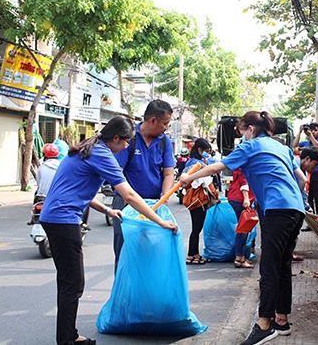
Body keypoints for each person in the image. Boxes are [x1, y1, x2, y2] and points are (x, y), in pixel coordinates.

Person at [39, 116, 177, 345]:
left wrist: (107, 210)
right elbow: (129, 195)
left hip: (54, 218)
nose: (126, 147)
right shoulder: (101, 153)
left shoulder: (87, 148)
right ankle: (66, 339)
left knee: (69, 281)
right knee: (73, 283)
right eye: (125, 143)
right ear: (115, 138)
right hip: (63, 220)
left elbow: (78, 189)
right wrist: (159, 221)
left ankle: (69, 335)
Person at [181, 111, 305, 345]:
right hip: (295, 208)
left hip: (277, 210)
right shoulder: (281, 147)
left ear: (250, 129)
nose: (240, 136)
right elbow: (301, 179)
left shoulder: (251, 146)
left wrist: (189, 178)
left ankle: (264, 325)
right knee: (282, 264)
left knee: (269, 267)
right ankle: (282, 320)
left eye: (241, 131)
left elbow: (216, 167)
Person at [112, 99, 176, 271]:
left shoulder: (164, 141)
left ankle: (145, 292)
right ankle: (123, 293)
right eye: (165, 123)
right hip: (126, 204)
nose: (166, 128)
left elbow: (168, 173)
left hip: (153, 205)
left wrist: (165, 195)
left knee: (150, 252)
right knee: (124, 250)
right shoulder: (129, 138)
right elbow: (117, 171)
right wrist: (131, 198)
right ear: (153, 120)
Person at [183, 138, 214, 265]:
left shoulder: (195, 161)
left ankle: (194, 254)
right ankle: (192, 255)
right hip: (197, 200)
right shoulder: (195, 164)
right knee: (196, 228)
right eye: (206, 151)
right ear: (200, 150)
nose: (207, 153)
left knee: (196, 228)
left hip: (195, 200)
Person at [227, 168, 255, 268]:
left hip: (235, 197)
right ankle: (239, 258)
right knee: (243, 229)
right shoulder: (245, 165)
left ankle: (240, 257)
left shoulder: (240, 164)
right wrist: (246, 198)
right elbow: (244, 181)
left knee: (242, 228)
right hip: (240, 199)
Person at [300, 148, 318, 213]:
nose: (304, 168)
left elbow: (314, 198)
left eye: (315, 165)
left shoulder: (317, 172)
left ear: (308, 159)